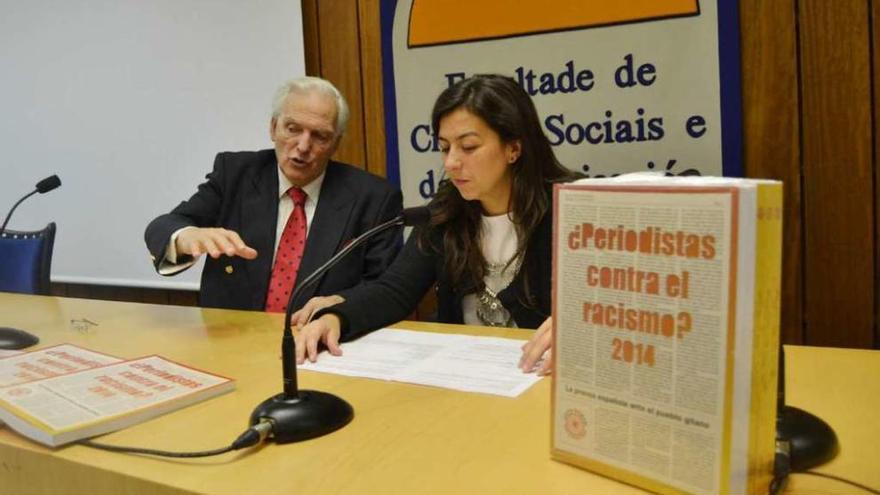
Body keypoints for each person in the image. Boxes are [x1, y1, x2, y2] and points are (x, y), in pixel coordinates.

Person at [294, 74, 576, 373]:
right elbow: (394, 291)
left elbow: (614, 308)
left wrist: (577, 328)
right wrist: (337, 317)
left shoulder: (570, 212)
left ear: (513, 149)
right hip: (466, 379)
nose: (451, 162)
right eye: (444, 147)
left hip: (545, 381)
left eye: (468, 147)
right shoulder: (446, 213)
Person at [145, 77, 403, 313]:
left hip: (319, 347)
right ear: (273, 128)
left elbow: (383, 289)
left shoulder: (373, 198)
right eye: (292, 129)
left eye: (320, 136)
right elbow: (162, 226)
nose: (303, 147)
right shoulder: (235, 175)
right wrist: (186, 235)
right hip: (231, 342)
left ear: (335, 144)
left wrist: (343, 306)